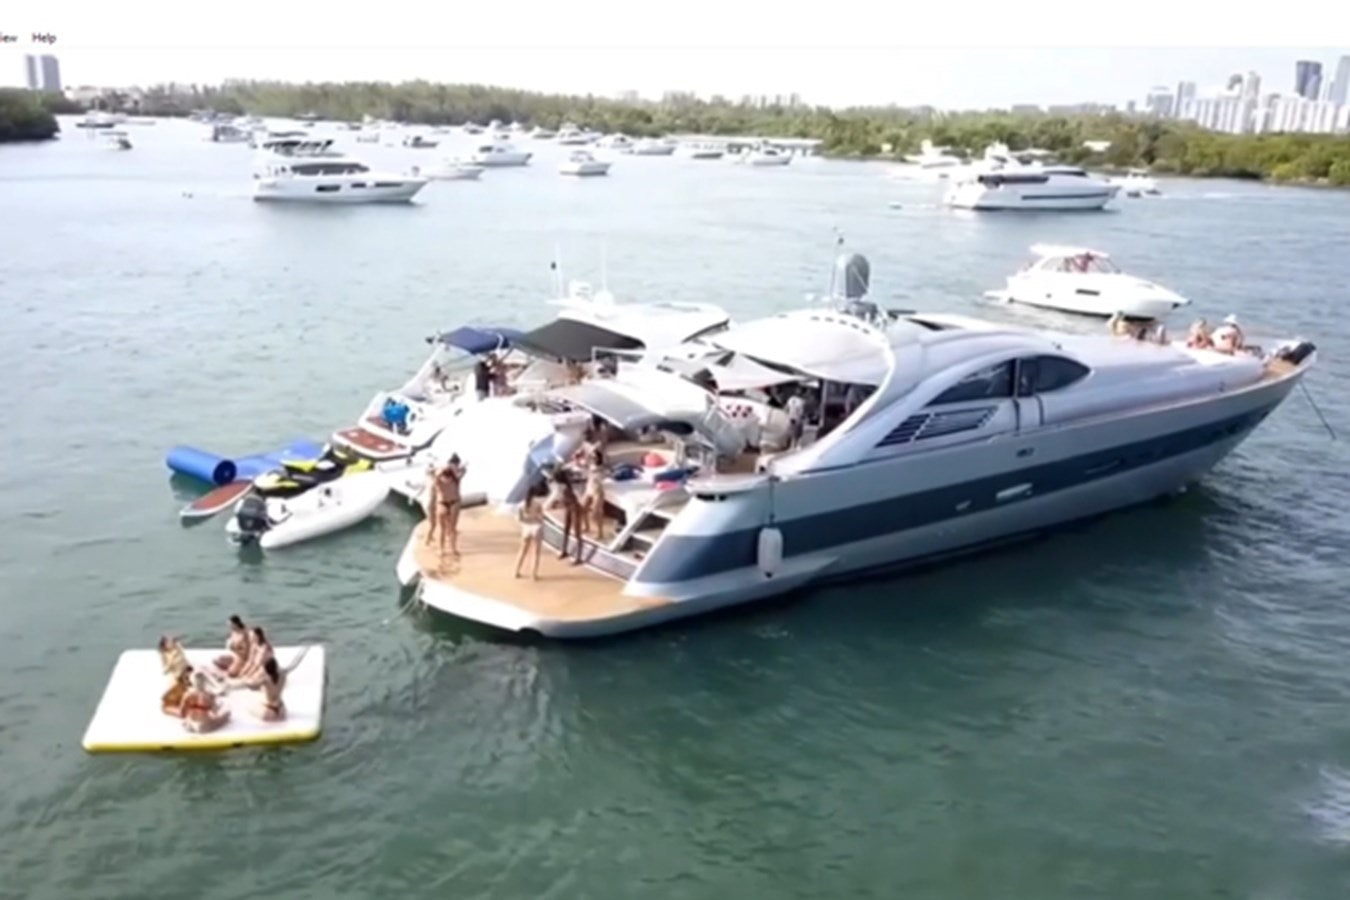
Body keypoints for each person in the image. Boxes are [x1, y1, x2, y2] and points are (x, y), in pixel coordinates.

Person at [425, 454, 465, 557]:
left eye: (448, 476)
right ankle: (441, 548)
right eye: (444, 476)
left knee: (452, 528)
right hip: (442, 504)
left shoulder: (456, 480)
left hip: (454, 503)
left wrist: (453, 469)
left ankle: (453, 548)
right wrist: (442, 469)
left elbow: (463, 471)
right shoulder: (438, 481)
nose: (446, 479)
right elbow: (431, 474)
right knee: (441, 528)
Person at [547, 467, 584, 565]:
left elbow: (558, 497)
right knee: (566, 530)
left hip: (574, 508)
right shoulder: (563, 485)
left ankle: (579, 557)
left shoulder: (562, 486)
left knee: (577, 533)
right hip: (568, 507)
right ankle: (564, 551)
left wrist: (553, 505)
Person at [513, 481, 546, 579]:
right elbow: (541, 516)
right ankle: (533, 574)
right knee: (535, 552)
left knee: (522, 551)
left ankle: (516, 571)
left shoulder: (522, 505)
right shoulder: (537, 503)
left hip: (526, 528)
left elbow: (519, 519)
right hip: (536, 527)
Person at [241, 656, 287, 722]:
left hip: (269, 710)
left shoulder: (265, 679)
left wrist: (244, 681)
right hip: (282, 710)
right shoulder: (283, 673)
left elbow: (252, 686)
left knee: (248, 709)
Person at [579, 447, 607, 540]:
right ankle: (587, 527)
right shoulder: (589, 465)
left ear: (599, 458)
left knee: (595, 513)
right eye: (592, 457)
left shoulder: (601, 467)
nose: (593, 459)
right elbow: (582, 463)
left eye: (594, 457)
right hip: (589, 490)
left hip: (597, 492)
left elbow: (598, 473)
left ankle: (600, 533)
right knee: (582, 509)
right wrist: (587, 456)